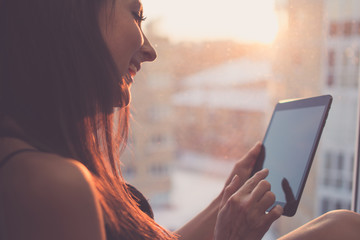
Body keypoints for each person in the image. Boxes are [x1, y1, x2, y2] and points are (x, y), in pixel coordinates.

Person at [0, 0, 358, 240]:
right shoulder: (47, 184)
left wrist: (225, 200)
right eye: (136, 15)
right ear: (70, 18)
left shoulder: (41, 160)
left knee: (341, 225)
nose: (150, 50)